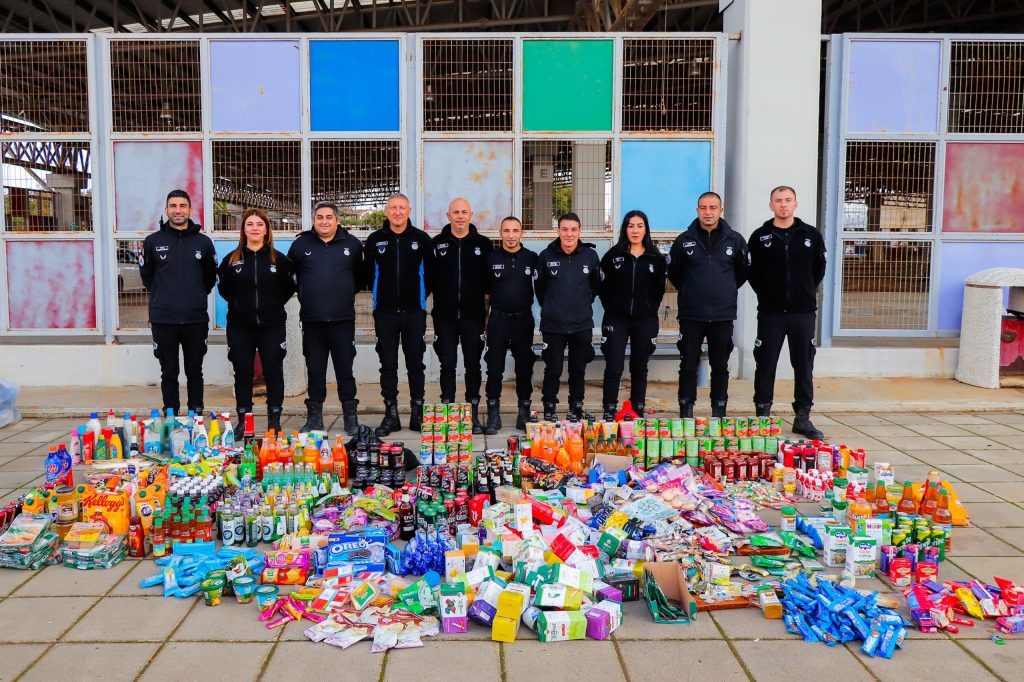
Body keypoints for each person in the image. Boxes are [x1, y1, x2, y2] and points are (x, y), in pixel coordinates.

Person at [747, 185, 827, 440]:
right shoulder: (760, 236)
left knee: (803, 364)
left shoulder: (810, 235)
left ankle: (802, 417)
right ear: (771, 205)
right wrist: (769, 294)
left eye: (788, 200)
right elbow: (753, 273)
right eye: (778, 201)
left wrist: (803, 292)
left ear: (795, 204)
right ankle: (762, 416)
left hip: (802, 313)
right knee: (765, 363)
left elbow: (818, 269)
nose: (783, 204)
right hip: (771, 313)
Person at [668, 192, 749, 418]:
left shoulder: (735, 240)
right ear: (697, 211)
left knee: (720, 366)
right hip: (691, 315)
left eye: (713, 207)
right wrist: (691, 292)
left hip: (722, 315)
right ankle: (686, 409)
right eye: (703, 207)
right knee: (688, 365)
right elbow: (675, 274)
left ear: (721, 210)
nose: (708, 212)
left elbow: (741, 273)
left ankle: (719, 410)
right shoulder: (684, 241)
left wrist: (724, 290)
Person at [288, 201, 364, 436]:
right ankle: (315, 419)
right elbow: (291, 276)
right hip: (312, 321)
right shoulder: (301, 245)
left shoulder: (352, 244)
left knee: (345, 371)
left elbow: (360, 278)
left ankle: (350, 418)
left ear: (337, 220)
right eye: (319, 217)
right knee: (315, 370)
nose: (324, 221)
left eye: (329, 217)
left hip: (343, 320)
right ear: (313, 220)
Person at [217, 208, 295, 436]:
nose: (254, 228)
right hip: (241, 327)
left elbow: (289, 288)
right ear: (243, 229)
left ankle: (274, 421)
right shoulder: (231, 260)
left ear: (266, 230)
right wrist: (243, 305)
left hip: (272, 326)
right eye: (250, 224)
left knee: (273, 372)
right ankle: (244, 420)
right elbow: (224, 289)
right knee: (242, 373)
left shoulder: (279, 260)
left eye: (259, 224)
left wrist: (271, 305)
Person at [139, 189, 216, 417]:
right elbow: (148, 277)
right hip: (163, 320)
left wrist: (195, 296)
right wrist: (165, 296)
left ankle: (196, 416)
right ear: (166, 210)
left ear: (190, 210)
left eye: (183, 206)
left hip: (195, 319)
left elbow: (210, 278)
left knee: (195, 371)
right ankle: (171, 416)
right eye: (173, 206)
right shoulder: (153, 241)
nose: (178, 210)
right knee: (169, 372)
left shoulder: (203, 242)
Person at [364, 193, 434, 437]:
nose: (397, 212)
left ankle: (417, 413)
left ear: (409, 210)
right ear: (386, 211)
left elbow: (431, 275)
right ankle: (391, 414)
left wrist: (419, 298)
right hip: (384, 313)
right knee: (388, 365)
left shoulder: (422, 239)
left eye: (401, 207)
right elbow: (367, 275)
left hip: (414, 312)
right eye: (393, 207)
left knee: (416, 364)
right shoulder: (374, 240)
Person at [429, 198, 493, 433]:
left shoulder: (483, 244)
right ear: (448, 216)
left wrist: (486, 315)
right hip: (444, 316)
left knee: (473, 365)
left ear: (471, 215)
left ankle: (472, 415)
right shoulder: (437, 244)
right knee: (447, 364)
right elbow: (428, 279)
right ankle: (447, 413)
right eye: (455, 212)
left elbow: (488, 284)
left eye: (464, 212)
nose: (460, 216)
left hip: (473, 317)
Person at [598, 210, 666, 420]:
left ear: (646, 229)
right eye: (630, 225)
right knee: (614, 365)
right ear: (624, 229)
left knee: (639, 366)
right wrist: (614, 308)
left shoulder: (656, 258)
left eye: (639, 226)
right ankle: (609, 409)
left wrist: (647, 309)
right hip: (616, 319)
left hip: (645, 320)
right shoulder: (612, 256)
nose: (635, 230)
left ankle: (637, 408)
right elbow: (603, 288)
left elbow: (659, 291)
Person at [535, 212, 601, 422]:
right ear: (558, 231)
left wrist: (581, 304)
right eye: (565, 229)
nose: (569, 234)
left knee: (578, 369)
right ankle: (549, 406)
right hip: (553, 325)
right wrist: (554, 307)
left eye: (573, 229)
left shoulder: (590, 256)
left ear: (579, 231)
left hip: (581, 324)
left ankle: (576, 406)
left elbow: (595, 287)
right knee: (553, 368)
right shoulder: (546, 256)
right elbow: (540, 289)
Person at [483, 216, 538, 433]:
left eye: (515, 231)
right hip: (498, 320)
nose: (511, 235)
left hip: (523, 320)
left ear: (522, 233)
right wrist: (485, 322)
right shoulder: (491, 258)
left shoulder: (532, 258)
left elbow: (541, 287)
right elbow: (485, 295)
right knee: (494, 368)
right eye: (506, 231)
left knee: (524, 368)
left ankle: (523, 412)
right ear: (500, 233)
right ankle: (493, 414)